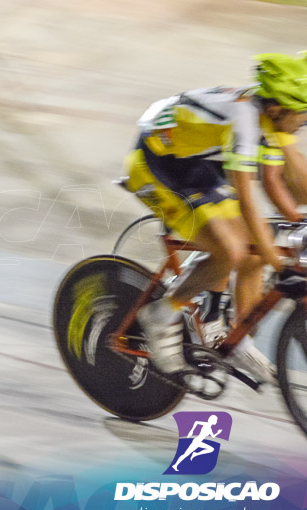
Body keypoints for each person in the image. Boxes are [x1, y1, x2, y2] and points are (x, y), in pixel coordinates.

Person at [126, 54, 307, 384]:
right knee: (233, 251)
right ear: (280, 109)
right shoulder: (245, 121)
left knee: (254, 250)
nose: (306, 119)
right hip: (158, 161)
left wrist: (297, 219)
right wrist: (281, 269)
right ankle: (161, 314)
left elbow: (276, 179)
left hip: (197, 160)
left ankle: (239, 340)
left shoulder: (271, 115)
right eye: (303, 112)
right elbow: (250, 203)